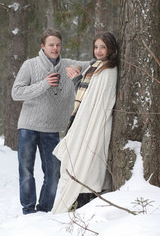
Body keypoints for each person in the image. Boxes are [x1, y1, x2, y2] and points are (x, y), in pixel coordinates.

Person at [11, 28, 89, 215]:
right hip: (28, 126)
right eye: (51, 45)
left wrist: (107, 57)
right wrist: (44, 84)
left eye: (58, 45)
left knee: (53, 174)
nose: (55, 48)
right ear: (43, 46)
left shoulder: (68, 65)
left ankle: (44, 210)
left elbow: (92, 64)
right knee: (26, 171)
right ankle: (28, 211)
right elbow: (16, 93)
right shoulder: (30, 65)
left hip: (52, 128)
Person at [51, 31, 119, 214]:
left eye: (103, 47)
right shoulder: (95, 67)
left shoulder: (109, 70)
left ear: (110, 48)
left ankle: (81, 202)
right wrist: (76, 80)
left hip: (92, 123)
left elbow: (99, 101)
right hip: (80, 118)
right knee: (72, 160)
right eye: (96, 47)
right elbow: (87, 95)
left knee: (86, 162)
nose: (98, 51)